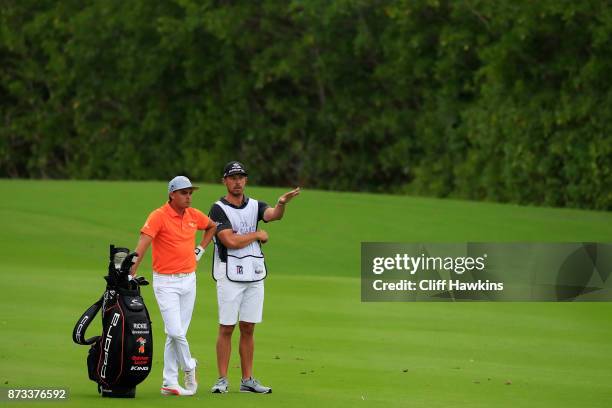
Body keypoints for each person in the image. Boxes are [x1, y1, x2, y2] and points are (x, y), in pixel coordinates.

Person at [208, 161, 300, 394]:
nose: (237, 181)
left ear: (245, 180)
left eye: (241, 177)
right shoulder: (218, 208)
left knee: (248, 327)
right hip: (229, 274)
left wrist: (281, 203)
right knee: (227, 327)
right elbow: (229, 240)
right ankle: (222, 379)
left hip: (254, 273)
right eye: (233, 177)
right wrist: (257, 234)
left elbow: (273, 215)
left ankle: (247, 379)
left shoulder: (255, 205)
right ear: (225, 181)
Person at [130, 176, 217, 396]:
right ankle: (189, 365)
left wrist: (200, 251)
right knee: (176, 331)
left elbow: (212, 227)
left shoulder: (193, 214)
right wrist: (131, 272)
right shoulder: (158, 216)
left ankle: (169, 382)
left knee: (175, 334)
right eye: (183, 193)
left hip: (189, 279)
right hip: (166, 281)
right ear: (172, 194)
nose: (188, 197)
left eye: (190, 193)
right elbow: (143, 243)